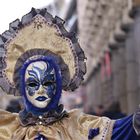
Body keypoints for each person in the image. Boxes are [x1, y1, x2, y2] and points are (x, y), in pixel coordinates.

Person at [0, 8, 139, 140]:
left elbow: (120, 130)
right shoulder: (7, 127)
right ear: (23, 88)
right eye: (32, 84)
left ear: (58, 86)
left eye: (48, 82)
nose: (40, 90)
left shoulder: (78, 126)